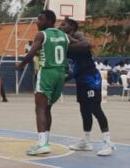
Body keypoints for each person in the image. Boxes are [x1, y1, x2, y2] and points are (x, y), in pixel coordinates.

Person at [17, 10, 83, 157]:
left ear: (49, 21)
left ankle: (42, 144)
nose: (37, 22)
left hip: (47, 72)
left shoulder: (42, 34)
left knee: (39, 108)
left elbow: (32, 52)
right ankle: (45, 141)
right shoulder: (64, 36)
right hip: (60, 74)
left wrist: (20, 65)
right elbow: (81, 44)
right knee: (47, 108)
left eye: (40, 19)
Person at [58, 18, 113, 156]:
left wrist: (68, 39)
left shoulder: (78, 35)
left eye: (63, 24)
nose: (60, 26)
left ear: (71, 27)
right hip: (81, 80)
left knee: (95, 108)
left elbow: (86, 45)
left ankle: (108, 143)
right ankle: (86, 141)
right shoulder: (64, 42)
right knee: (84, 109)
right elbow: (74, 67)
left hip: (91, 79)